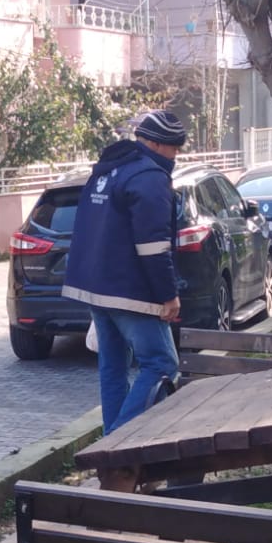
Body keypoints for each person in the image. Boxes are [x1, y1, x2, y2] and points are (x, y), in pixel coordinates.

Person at [64, 109, 188, 431]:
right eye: (175, 148)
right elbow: (152, 246)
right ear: (160, 145)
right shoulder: (149, 177)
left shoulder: (109, 169)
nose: (176, 156)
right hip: (129, 289)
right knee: (162, 363)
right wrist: (168, 295)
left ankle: (110, 444)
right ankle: (121, 441)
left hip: (94, 286)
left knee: (113, 365)